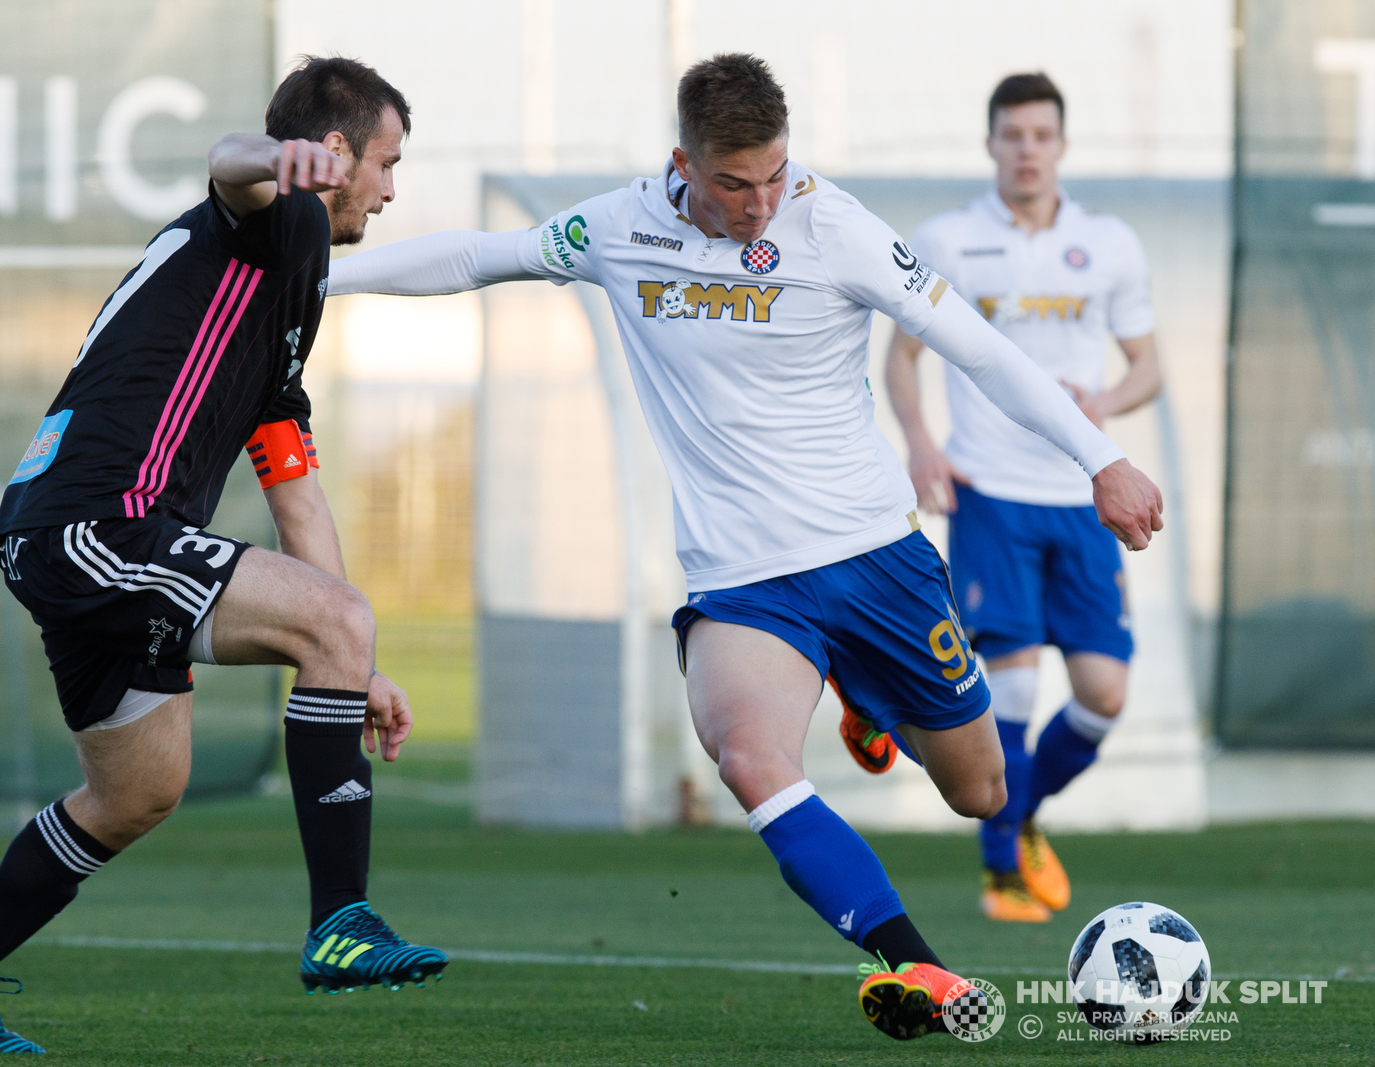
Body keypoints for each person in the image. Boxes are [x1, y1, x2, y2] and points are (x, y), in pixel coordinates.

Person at [325, 54, 1162, 1041]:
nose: (760, 203)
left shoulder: (836, 225)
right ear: (683, 162)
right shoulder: (621, 227)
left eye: (774, 174)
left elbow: (975, 347)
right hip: (743, 578)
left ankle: (863, 687)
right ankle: (917, 963)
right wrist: (309, 278)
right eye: (733, 182)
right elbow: (471, 258)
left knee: (979, 789)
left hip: (875, 555)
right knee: (746, 752)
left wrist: (1100, 459)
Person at [0, 57, 447, 1054]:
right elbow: (228, 168)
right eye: (386, 163)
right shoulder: (280, 213)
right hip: (99, 524)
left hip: (71, 538)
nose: (392, 189)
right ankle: (340, 922)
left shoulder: (285, 299)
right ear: (336, 153)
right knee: (329, 622)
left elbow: (295, 491)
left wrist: (350, 659)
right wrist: (277, 157)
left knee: (137, 792)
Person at [883, 72, 1164, 925]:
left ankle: (1019, 813)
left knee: (1105, 694)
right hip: (990, 491)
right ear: (992, 144)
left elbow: (1148, 366)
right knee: (1009, 692)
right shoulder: (951, 238)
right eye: (1013, 135)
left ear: (1062, 145)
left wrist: (1102, 407)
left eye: (1042, 135)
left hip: (1083, 492)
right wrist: (922, 444)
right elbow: (902, 358)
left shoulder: (1109, 243)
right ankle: (1001, 869)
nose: (1028, 149)